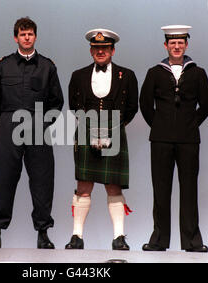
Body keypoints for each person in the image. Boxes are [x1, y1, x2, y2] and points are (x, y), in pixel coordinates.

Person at [0, 17, 63, 249]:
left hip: (38, 125)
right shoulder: (3, 65)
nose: (26, 37)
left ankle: (43, 233)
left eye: (30, 34)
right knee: (4, 179)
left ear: (35, 36)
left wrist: (43, 124)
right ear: (15, 37)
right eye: (22, 34)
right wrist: (8, 120)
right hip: (9, 124)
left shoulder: (47, 66)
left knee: (42, 180)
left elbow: (57, 101)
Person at [139, 25, 208, 252]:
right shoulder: (155, 72)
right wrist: (160, 125)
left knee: (189, 190)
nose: (177, 46)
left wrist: (189, 125)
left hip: (189, 140)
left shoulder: (198, 72)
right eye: (173, 43)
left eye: (181, 43)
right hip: (160, 140)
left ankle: (192, 241)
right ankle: (159, 240)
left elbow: (207, 104)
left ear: (186, 45)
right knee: (160, 190)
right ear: (166, 45)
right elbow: (144, 104)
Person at [65, 29, 138, 250]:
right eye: (96, 48)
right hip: (86, 130)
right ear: (91, 50)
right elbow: (73, 106)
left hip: (115, 130)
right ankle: (76, 236)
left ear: (112, 50)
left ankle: (119, 237)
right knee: (83, 185)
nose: (100, 52)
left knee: (114, 186)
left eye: (104, 48)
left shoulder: (127, 75)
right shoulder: (78, 75)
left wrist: (114, 128)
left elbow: (132, 108)